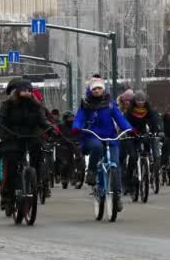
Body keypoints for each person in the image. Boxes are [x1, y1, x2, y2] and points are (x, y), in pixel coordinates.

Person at [73, 77, 131, 208]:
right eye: (94, 88)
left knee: (115, 163)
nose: (97, 90)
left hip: (110, 137)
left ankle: (117, 195)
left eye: (99, 88)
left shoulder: (110, 104)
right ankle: (92, 172)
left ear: (103, 89)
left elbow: (119, 118)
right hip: (92, 136)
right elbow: (79, 118)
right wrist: (76, 127)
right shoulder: (86, 104)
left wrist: (129, 129)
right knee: (97, 147)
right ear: (90, 90)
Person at [0, 80, 52, 212]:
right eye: (24, 90)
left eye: (29, 90)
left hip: (32, 136)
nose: (27, 93)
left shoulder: (36, 106)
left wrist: (51, 128)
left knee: (38, 153)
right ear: (17, 91)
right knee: (11, 164)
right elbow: (0, 119)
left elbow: (42, 120)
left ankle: (36, 181)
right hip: (13, 137)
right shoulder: (8, 104)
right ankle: (9, 197)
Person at [124, 90, 160, 189]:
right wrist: (129, 130)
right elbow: (125, 121)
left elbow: (154, 120)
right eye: (138, 100)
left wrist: (155, 130)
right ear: (134, 101)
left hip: (143, 134)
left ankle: (147, 170)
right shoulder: (130, 111)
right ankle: (129, 178)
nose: (140, 102)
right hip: (131, 134)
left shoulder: (149, 110)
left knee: (146, 151)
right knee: (133, 156)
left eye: (142, 100)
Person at [58, 111, 80, 185]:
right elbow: (58, 134)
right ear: (65, 118)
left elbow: (80, 132)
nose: (71, 119)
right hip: (65, 146)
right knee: (65, 163)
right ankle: (64, 177)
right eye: (69, 117)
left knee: (77, 160)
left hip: (75, 144)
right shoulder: (61, 126)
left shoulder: (76, 125)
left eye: (72, 117)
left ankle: (75, 176)